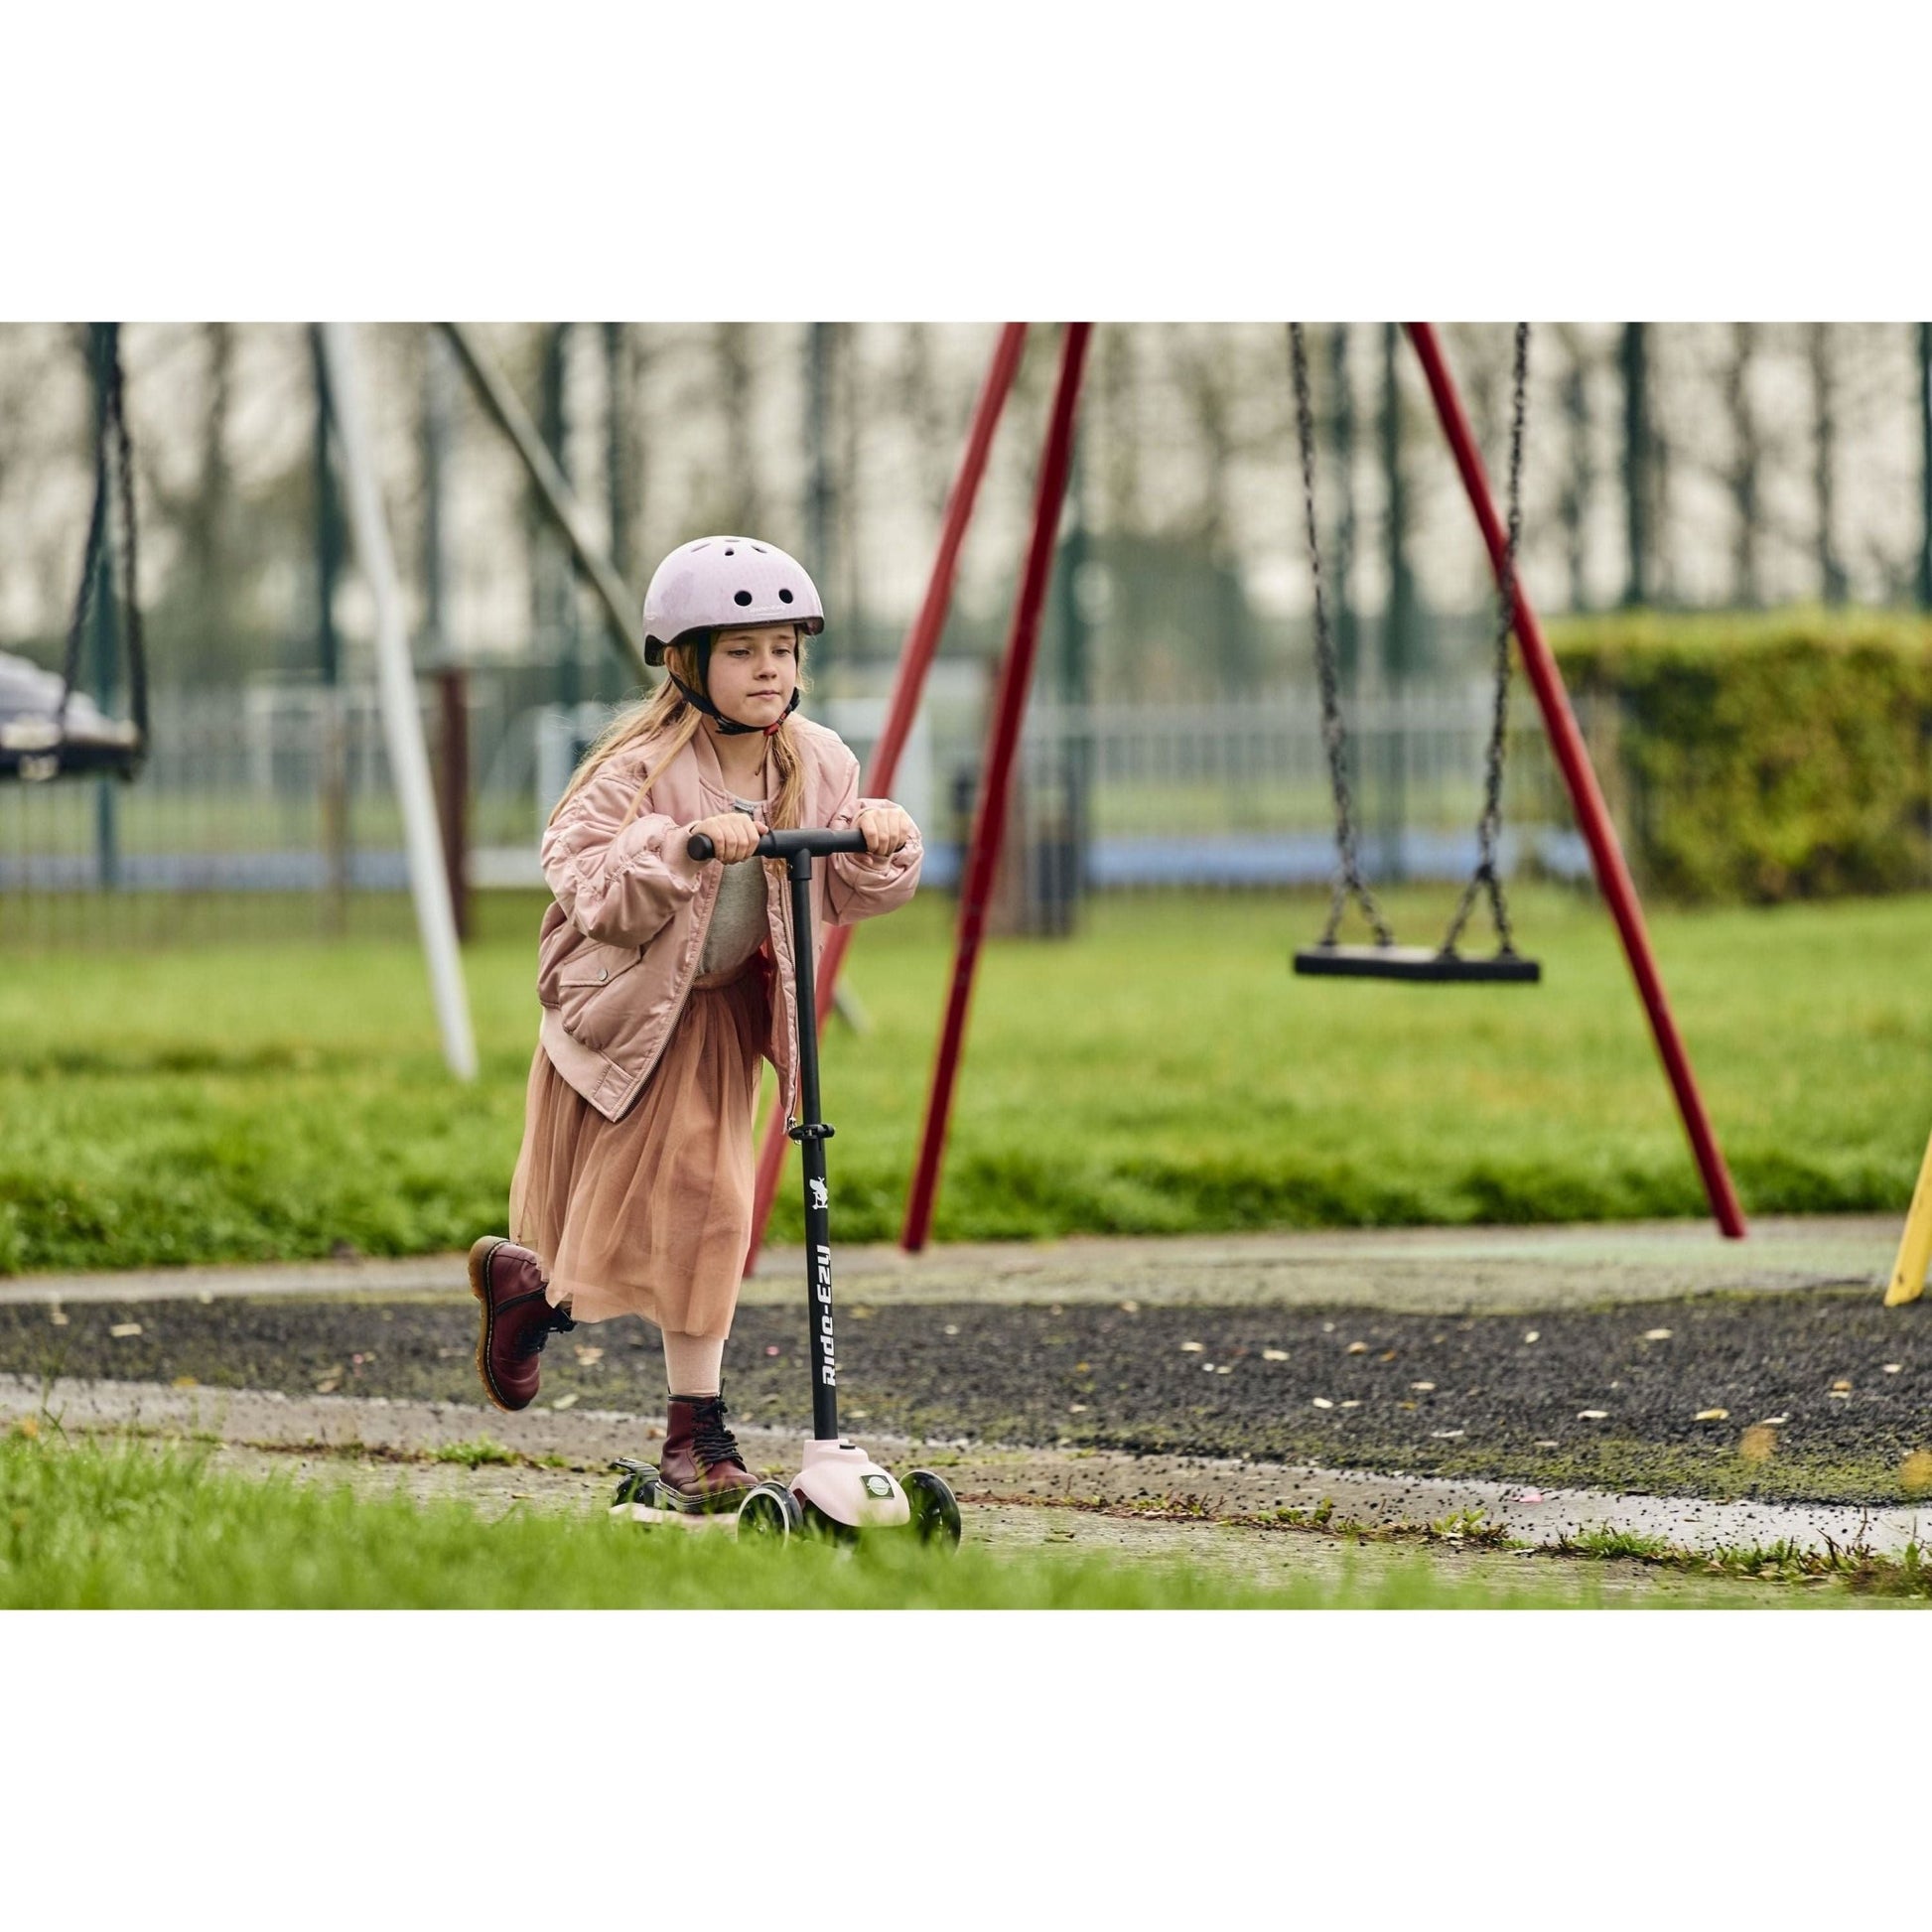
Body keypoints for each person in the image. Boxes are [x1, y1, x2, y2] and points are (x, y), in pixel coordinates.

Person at [469, 535, 921, 1510]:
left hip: (719, 1019)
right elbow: (594, 889)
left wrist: (880, 840)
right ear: (685, 662)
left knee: (704, 1217)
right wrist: (681, 845)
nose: (769, 669)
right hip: (622, 1017)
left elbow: (841, 887)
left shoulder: (815, 760)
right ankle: (572, 1327)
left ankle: (655, 1396)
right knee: (640, 1220)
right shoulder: (636, 771)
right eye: (742, 649)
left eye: (783, 649)